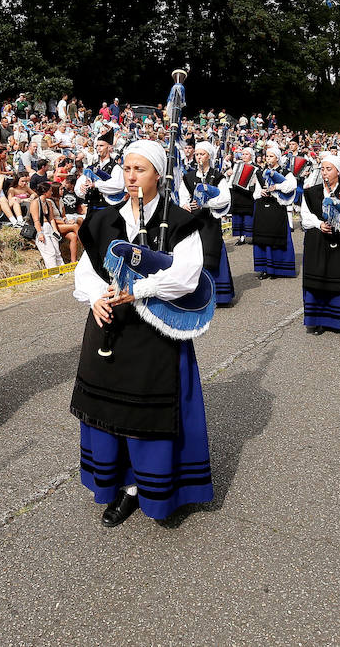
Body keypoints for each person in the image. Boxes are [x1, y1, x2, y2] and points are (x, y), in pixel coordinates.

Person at [70, 139, 212, 527]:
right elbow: (86, 269)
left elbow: (187, 276)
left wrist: (140, 290)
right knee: (108, 409)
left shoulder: (179, 221)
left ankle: (143, 488)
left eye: (141, 169)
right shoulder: (104, 219)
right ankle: (117, 483)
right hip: (109, 327)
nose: (132, 177)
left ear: (158, 175)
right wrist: (97, 297)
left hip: (155, 333)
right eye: (127, 168)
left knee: (145, 412)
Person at [299, 152, 340, 333]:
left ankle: (339, 321)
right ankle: (317, 320)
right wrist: (319, 224)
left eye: (329, 169)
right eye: (323, 169)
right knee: (317, 279)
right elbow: (305, 215)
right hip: (317, 240)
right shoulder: (312, 192)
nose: (324, 172)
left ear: (338, 172)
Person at [182, 141, 234, 306]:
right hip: (194, 221)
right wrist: (184, 204)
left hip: (210, 221)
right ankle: (198, 294)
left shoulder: (217, 176)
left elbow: (225, 198)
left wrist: (205, 204)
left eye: (202, 154)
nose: (198, 157)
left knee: (212, 251)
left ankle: (220, 294)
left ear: (209, 156)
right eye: (197, 154)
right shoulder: (188, 177)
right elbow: (183, 196)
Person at [251, 145, 297, 279]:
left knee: (278, 236)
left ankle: (279, 268)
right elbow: (255, 193)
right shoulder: (260, 172)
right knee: (263, 237)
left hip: (277, 208)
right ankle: (265, 268)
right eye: (267, 156)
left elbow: (291, 186)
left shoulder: (284, 172)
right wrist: (262, 192)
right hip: (263, 209)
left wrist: (276, 187)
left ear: (277, 158)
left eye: (271, 156)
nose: (268, 158)